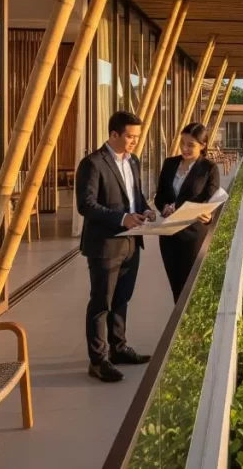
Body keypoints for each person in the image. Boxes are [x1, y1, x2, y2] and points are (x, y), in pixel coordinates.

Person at [76, 110, 157, 383]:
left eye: (136, 136)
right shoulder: (92, 164)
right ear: (114, 135)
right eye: (130, 136)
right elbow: (86, 205)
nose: (135, 141)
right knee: (101, 303)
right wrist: (123, 218)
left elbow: (136, 196)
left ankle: (119, 348)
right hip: (105, 245)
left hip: (132, 242)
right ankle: (98, 360)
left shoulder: (132, 160)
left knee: (122, 298)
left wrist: (146, 211)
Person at [155, 122, 220, 302]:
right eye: (182, 143)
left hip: (193, 235)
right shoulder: (169, 164)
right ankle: (179, 327)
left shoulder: (209, 168)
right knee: (176, 286)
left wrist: (209, 217)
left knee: (190, 287)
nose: (184, 148)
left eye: (190, 145)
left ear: (203, 145)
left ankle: (189, 326)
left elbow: (211, 199)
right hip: (168, 235)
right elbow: (159, 196)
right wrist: (164, 207)